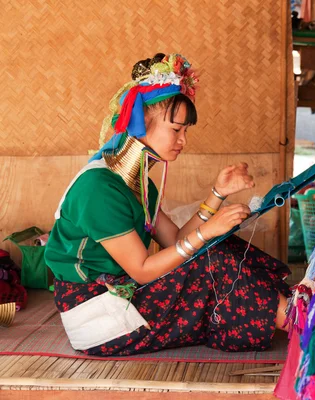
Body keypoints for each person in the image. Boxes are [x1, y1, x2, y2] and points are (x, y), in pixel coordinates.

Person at [44, 53, 291, 356]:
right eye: (176, 130)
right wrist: (207, 232)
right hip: (103, 318)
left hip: (124, 299)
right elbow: (144, 271)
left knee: (219, 247)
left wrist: (217, 193)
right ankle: (299, 320)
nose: (183, 141)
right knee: (214, 259)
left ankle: (293, 309)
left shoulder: (136, 183)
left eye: (186, 131)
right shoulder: (98, 188)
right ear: (140, 123)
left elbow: (174, 240)